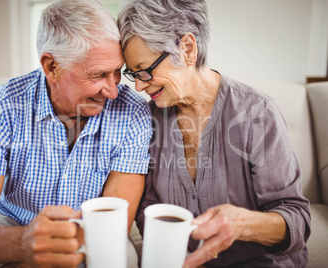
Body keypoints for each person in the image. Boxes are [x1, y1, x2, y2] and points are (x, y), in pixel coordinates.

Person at [0, 0, 152, 267]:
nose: (111, 91)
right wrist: (20, 243)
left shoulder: (134, 112)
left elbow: (114, 218)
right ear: (52, 66)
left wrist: (60, 247)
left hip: (99, 230)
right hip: (13, 223)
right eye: (98, 75)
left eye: (117, 73)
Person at [118, 0, 311, 267]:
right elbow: (147, 208)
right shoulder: (147, 119)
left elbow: (297, 219)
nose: (139, 86)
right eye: (133, 73)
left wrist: (243, 224)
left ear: (187, 48)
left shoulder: (256, 112)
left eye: (146, 71)